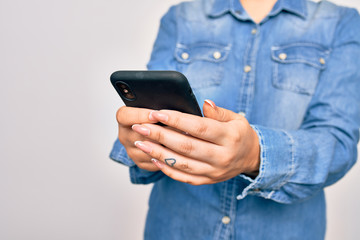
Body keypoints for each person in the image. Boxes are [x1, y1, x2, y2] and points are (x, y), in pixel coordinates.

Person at [110, 0, 360, 239]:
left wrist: (255, 154)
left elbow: (338, 142)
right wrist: (141, 140)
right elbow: (150, 110)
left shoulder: (341, 22)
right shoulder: (180, 17)